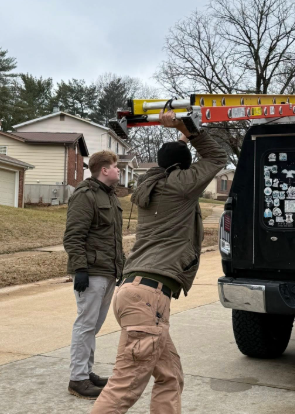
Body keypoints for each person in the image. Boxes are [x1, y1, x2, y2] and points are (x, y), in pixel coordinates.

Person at [91, 110, 227, 413]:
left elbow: (169, 161)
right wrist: (192, 132)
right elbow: (217, 158)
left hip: (132, 293)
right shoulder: (182, 186)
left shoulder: (150, 183)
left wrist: (183, 133)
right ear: (184, 169)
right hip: (149, 300)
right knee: (123, 388)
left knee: (170, 376)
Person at [64, 150, 125, 400]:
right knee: (85, 325)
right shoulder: (85, 195)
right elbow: (73, 235)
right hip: (91, 272)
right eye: (115, 166)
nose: (118, 170)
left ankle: (86, 373)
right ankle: (78, 380)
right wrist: (80, 269)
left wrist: (121, 267)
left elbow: (112, 238)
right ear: (104, 170)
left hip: (108, 271)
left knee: (93, 326)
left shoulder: (110, 197)